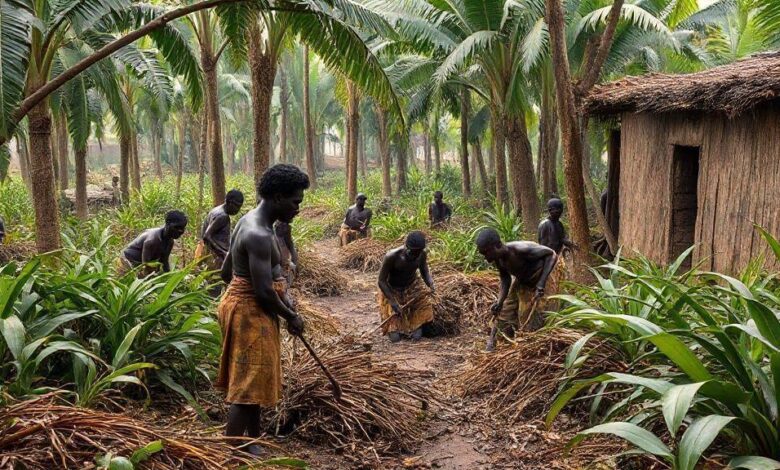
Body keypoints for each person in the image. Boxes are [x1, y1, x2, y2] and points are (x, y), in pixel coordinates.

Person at [217, 164, 309, 456]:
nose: (298, 208)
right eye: (296, 201)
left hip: (245, 306)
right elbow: (263, 292)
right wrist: (291, 315)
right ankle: (231, 454)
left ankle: (253, 441)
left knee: (253, 377)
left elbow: (225, 271)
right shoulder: (258, 233)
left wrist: (279, 292)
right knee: (246, 388)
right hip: (249, 311)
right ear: (279, 197)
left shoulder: (248, 221)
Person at [476, 228, 564, 351]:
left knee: (532, 317)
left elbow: (551, 255)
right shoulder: (498, 258)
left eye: (486, 253)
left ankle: (535, 344)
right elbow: (505, 279)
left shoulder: (520, 250)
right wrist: (499, 302)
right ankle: (495, 342)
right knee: (505, 309)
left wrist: (541, 283)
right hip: (522, 278)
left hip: (544, 274)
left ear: (496, 246)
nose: (485, 258)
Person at [376, 231, 435, 343]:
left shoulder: (422, 254)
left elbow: (424, 271)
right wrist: (393, 302)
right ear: (405, 246)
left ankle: (414, 325)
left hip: (411, 288)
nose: (414, 256)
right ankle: (397, 325)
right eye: (412, 252)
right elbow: (381, 281)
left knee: (417, 336)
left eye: (417, 253)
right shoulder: (392, 256)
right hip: (392, 290)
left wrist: (431, 285)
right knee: (395, 339)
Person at [118, 210, 188, 275]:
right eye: (176, 227)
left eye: (182, 228)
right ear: (167, 224)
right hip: (127, 261)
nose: (180, 231)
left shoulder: (170, 242)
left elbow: (164, 262)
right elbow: (145, 265)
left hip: (141, 264)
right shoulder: (152, 240)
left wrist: (169, 277)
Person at [195, 189, 244, 271]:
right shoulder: (222, 216)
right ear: (230, 202)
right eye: (237, 206)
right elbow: (206, 236)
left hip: (211, 255)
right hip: (215, 258)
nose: (238, 210)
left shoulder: (217, 210)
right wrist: (223, 253)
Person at [274, 221, 298, 285]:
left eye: (286, 225)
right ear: (277, 227)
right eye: (283, 226)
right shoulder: (272, 237)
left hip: (286, 267)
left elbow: (291, 247)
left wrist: (294, 266)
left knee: (292, 265)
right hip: (276, 269)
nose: (286, 227)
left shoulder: (285, 235)